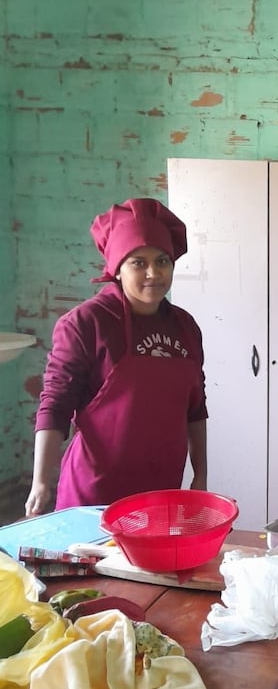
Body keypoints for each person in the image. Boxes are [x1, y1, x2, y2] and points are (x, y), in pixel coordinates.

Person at [25, 198, 207, 515]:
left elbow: (195, 409)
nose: (154, 272)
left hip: (161, 487)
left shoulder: (185, 327)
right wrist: (41, 481)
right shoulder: (86, 323)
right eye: (139, 262)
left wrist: (201, 474)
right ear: (117, 269)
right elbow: (55, 404)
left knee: (154, 566)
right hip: (95, 493)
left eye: (163, 261)